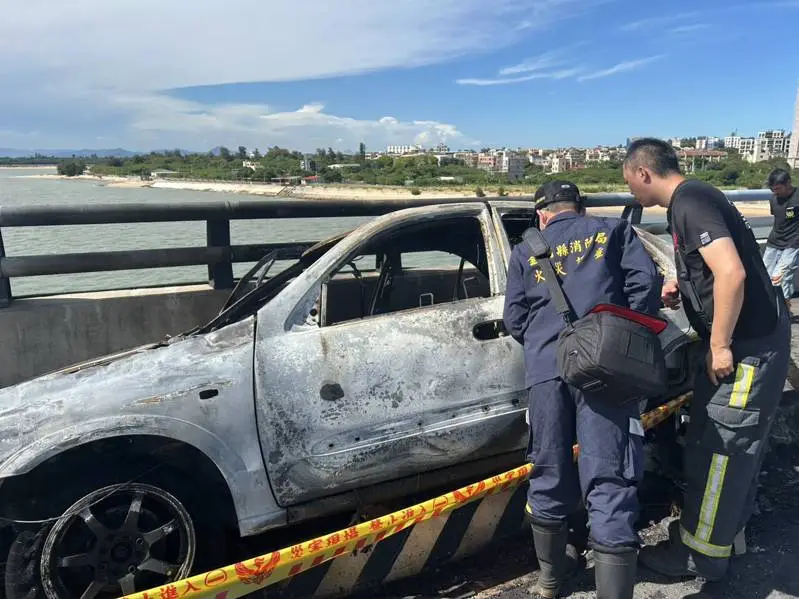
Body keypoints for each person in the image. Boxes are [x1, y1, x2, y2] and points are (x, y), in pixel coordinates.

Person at [622, 138, 791, 582]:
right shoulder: (696, 198)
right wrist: (683, 286)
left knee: (721, 450)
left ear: (643, 173)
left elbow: (731, 272)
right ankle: (726, 537)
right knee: (728, 449)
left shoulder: (690, 202)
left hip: (748, 347)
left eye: (630, 183)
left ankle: (700, 557)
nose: (632, 193)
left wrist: (719, 345)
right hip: (758, 337)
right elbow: (712, 268)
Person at [503, 180, 662, 599]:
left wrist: (547, 343)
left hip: (546, 370)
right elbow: (645, 285)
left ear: (541, 214)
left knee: (548, 469)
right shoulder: (614, 230)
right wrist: (621, 335)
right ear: (581, 206)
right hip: (607, 369)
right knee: (610, 473)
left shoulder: (523, 251)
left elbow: (515, 319)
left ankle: (551, 581)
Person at [762, 168, 799, 316]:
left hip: (793, 243)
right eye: (773, 190)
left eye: (778, 189)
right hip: (774, 242)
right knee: (764, 276)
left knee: (779, 277)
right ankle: (772, 308)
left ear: (788, 183)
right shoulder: (774, 199)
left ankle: (784, 312)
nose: (775, 192)